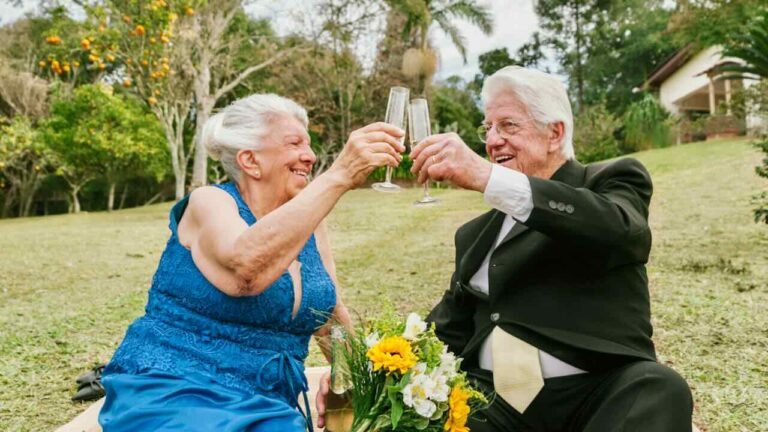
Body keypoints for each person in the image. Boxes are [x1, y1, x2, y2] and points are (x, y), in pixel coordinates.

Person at [410, 66, 694, 432]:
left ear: (554, 133)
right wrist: (375, 371)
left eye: (508, 126)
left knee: (661, 388)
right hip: (491, 404)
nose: (493, 141)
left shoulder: (609, 183)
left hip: (599, 394)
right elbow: (447, 328)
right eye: (488, 129)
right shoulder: (475, 235)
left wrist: (488, 178)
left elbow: (623, 232)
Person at [98, 93, 405, 431]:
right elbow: (246, 271)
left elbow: (329, 317)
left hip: (268, 407)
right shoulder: (209, 202)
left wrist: (370, 385)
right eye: (295, 144)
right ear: (250, 161)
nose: (311, 156)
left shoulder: (310, 220)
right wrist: (339, 176)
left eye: (310, 144)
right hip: (177, 389)